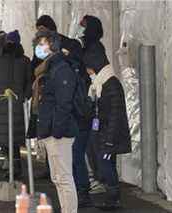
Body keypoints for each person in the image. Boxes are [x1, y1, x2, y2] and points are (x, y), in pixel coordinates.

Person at [33, 29, 78, 213]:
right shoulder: (51, 67)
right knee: (58, 178)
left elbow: (64, 103)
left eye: (42, 43)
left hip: (59, 133)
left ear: (52, 45)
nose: (38, 47)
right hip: (52, 131)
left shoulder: (61, 68)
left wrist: (56, 131)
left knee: (64, 178)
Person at [83, 41, 131, 211]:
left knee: (107, 167)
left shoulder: (111, 85)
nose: (87, 71)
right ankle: (111, 197)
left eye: (88, 67)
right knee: (104, 166)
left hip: (109, 136)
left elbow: (116, 115)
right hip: (102, 134)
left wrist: (110, 141)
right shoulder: (99, 85)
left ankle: (113, 198)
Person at [0, 30, 32, 178]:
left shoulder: (2, 60)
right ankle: (14, 168)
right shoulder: (17, 60)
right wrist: (24, 96)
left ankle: (14, 169)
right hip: (9, 104)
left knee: (10, 138)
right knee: (11, 139)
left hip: (8, 104)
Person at [73, 15, 108, 208]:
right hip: (87, 109)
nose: (79, 29)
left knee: (87, 148)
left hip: (90, 110)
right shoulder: (87, 49)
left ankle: (95, 183)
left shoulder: (93, 51)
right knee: (85, 148)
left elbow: (94, 81)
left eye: (82, 26)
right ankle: (93, 182)